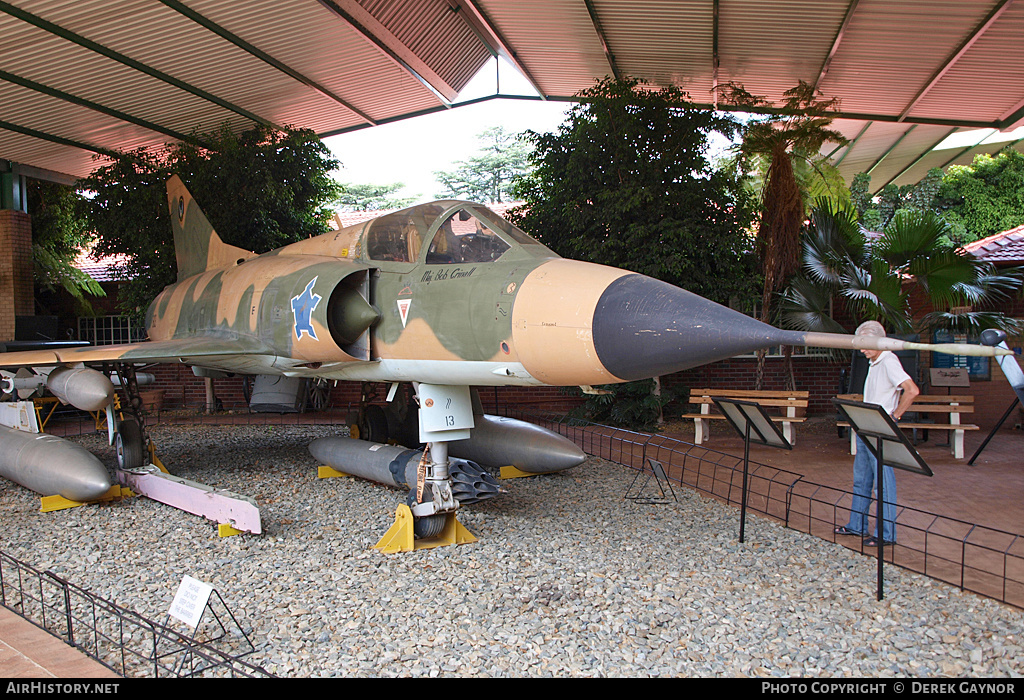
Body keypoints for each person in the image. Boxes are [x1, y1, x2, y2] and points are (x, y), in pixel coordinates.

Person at [835, 320, 920, 546]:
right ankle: (857, 525)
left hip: (880, 428)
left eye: (865, 344)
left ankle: (886, 534)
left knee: (882, 483)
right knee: (861, 480)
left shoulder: (889, 360)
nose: (862, 350)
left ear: (879, 341)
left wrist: (895, 416)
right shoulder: (875, 361)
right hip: (866, 426)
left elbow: (911, 391)